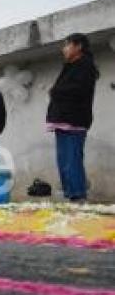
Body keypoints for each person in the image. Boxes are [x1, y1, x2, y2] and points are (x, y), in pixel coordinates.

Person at [46, 32, 99, 202]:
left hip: (74, 120)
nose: (64, 49)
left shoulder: (85, 66)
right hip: (63, 120)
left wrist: (55, 91)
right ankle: (71, 195)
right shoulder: (70, 66)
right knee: (63, 162)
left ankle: (78, 197)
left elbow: (78, 91)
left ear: (78, 46)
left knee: (72, 161)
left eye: (67, 44)